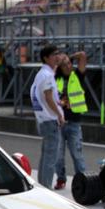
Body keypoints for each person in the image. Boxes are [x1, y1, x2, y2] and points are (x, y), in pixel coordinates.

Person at [30, 44, 65, 189]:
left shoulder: (41, 74)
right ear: (46, 58)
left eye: (58, 54)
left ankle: (42, 185)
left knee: (45, 155)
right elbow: (48, 96)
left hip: (43, 118)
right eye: (54, 54)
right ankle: (46, 187)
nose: (57, 57)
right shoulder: (48, 75)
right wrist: (59, 114)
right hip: (50, 119)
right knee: (51, 157)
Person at [54, 51, 89, 190]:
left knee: (77, 154)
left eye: (69, 63)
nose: (68, 66)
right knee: (58, 155)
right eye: (64, 65)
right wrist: (58, 61)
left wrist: (69, 57)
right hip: (58, 122)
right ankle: (60, 178)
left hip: (74, 121)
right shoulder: (56, 78)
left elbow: (83, 55)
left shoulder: (77, 75)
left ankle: (82, 181)